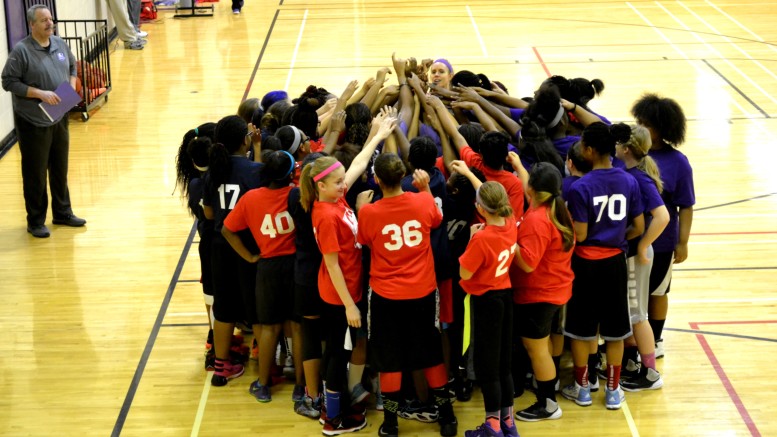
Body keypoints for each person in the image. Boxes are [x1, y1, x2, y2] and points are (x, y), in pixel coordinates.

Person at [298, 115, 396, 435]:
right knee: (336, 358)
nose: (345, 185)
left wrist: (377, 134)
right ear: (321, 185)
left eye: (343, 181)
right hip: (340, 298)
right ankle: (333, 420)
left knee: (343, 352)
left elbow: (356, 165)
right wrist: (350, 305)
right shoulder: (325, 215)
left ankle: (341, 410)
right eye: (339, 182)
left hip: (348, 292)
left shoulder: (333, 197)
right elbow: (331, 265)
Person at [357, 153, 458, 437]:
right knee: (431, 355)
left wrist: (359, 207)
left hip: (385, 297)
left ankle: (390, 424)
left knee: (389, 360)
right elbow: (437, 221)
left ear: (377, 180)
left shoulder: (369, 212)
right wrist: (425, 189)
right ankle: (447, 417)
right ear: (403, 177)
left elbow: (363, 241)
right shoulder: (424, 201)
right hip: (423, 293)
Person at [562, 122, 644, 410]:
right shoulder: (628, 181)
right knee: (616, 330)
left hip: (585, 265)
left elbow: (581, 234)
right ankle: (612, 390)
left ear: (589, 150)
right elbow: (638, 226)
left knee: (582, 330)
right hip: (614, 264)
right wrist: (617, 237)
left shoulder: (581, 186)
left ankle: (583, 389)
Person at [221, 150, 303, 403]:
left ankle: (263, 384)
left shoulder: (251, 198)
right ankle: (302, 386)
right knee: (297, 328)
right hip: (296, 266)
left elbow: (227, 230)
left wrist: (248, 256)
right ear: (290, 174)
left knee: (269, 328)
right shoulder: (297, 194)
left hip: (267, 267)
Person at [2, 4, 86, 238]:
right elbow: (8, 81)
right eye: (44, 20)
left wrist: (71, 83)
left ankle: (63, 212)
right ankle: (36, 220)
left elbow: (72, 65)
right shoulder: (21, 51)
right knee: (35, 173)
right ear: (32, 25)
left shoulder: (59, 43)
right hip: (33, 122)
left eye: (51, 19)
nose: (50, 23)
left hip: (59, 117)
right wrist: (40, 93)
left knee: (59, 168)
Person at [508, 162, 575, 422]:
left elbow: (527, 262)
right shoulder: (558, 209)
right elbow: (530, 189)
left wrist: (509, 239)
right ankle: (547, 393)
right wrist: (518, 164)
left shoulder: (537, 219)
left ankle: (548, 404)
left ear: (533, 190)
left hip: (539, 294)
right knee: (543, 347)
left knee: (537, 350)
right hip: (556, 288)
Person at [631, 94, 694, 359]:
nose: (641, 126)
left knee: (657, 291)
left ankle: (655, 340)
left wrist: (682, 242)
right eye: (640, 121)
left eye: (648, 123)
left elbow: (686, 205)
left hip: (662, 241)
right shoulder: (629, 154)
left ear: (664, 128)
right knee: (633, 293)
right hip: (630, 239)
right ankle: (634, 341)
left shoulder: (678, 162)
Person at [201, 115, 263, 387]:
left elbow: (209, 212)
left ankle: (221, 367)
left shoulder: (213, 172)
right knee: (256, 309)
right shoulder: (253, 171)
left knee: (223, 308)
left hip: (219, 246)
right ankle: (264, 365)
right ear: (245, 140)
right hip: (247, 244)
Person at [456, 179, 519, 437]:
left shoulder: (481, 239)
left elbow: (465, 272)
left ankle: (492, 427)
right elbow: (493, 197)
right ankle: (509, 423)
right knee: (504, 365)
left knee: (488, 368)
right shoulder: (511, 222)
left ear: (480, 209)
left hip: (486, 302)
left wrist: (473, 237)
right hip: (505, 296)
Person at [613, 124, 669, 391]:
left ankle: (651, 374)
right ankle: (637, 365)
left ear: (625, 149)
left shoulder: (640, 178)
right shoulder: (632, 172)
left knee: (638, 314)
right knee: (632, 312)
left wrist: (644, 243)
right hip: (636, 252)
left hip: (638, 254)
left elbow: (663, 216)